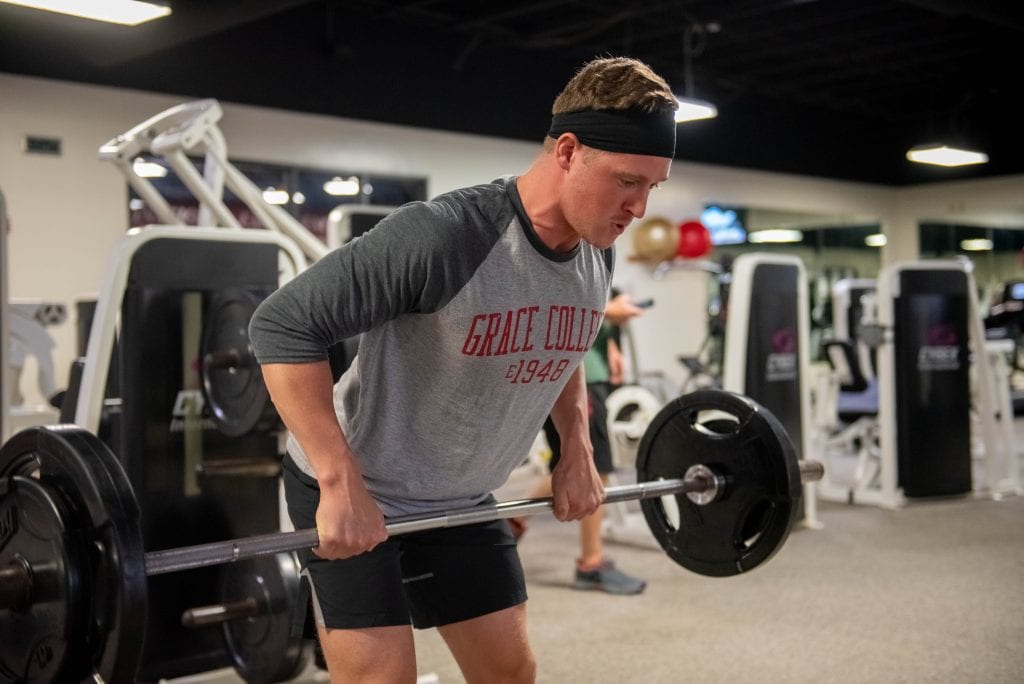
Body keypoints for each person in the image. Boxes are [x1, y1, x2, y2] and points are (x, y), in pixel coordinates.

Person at [249, 56, 678, 682]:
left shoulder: (595, 252)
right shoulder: (446, 236)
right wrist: (340, 481)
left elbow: (562, 344)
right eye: (626, 181)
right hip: (359, 485)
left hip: (461, 496)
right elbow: (282, 324)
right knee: (383, 678)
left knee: (509, 673)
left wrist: (576, 448)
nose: (639, 208)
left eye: (652, 188)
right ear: (567, 150)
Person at [512, 292, 649, 595]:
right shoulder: (570, 254)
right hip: (573, 376)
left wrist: (611, 344)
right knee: (593, 468)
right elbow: (562, 309)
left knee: (570, 466)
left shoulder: (597, 262)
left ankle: (512, 521)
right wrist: (610, 311)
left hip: (586, 371)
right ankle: (591, 563)